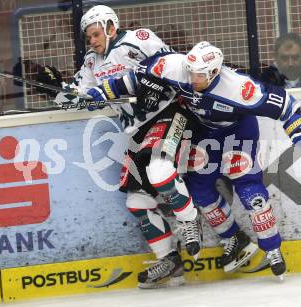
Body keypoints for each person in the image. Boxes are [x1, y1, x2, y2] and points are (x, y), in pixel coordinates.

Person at [86, 41, 301, 277]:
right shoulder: (175, 66)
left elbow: (286, 105)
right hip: (204, 132)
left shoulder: (239, 88)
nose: (192, 77)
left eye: (200, 74)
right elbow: (134, 79)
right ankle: (233, 238)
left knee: (250, 189)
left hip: (238, 131)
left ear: (215, 72)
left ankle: (272, 248)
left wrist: (299, 129)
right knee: (199, 191)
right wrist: (100, 92)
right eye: (191, 70)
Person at [36, 5, 203, 289]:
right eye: (89, 37)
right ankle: (169, 259)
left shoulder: (139, 39)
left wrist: (155, 88)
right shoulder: (92, 61)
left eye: (97, 34)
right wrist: (55, 89)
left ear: (111, 27)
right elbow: (81, 97)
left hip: (167, 114)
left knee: (160, 170)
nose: (93, 41)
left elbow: (173, 67)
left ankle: (189, 220)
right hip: (137, 131)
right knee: (137, 202)